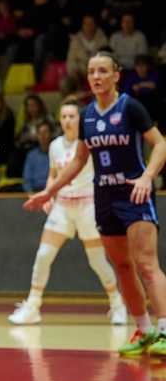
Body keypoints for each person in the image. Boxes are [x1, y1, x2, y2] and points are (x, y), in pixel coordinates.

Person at [25, 51, 166, 356]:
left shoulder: (130, 107)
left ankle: (165, 331)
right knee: (123, 266)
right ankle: (144, 330)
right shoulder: (87, 115)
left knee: (146, 264)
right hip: (104, 197)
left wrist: (147, 177)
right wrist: (50, 191)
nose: (96, 77)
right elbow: (78, 161)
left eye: (103, 71)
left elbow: (160, 144)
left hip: (134, 194)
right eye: (92, 72)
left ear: (116, 75)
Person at [11, 97, 127, 325]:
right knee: (43, 255)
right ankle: (33, 306)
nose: (67, 120)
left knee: (97, 260)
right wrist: (48, 194)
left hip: (88, 205)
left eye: (71, 116)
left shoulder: (89, 142)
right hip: (63, 206)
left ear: (80, 119)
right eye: (63, 116)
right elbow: (53, 175)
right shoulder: (55, 145)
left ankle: (117, 305)